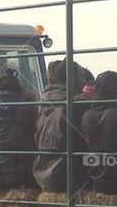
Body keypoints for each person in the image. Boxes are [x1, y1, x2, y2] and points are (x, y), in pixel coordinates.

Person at [32, 58, 89, 192]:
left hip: (41, 173)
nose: (85, 81)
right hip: (66, 175)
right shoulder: (77, 104)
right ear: (70, 78)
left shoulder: (42, 102)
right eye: (81, 76)